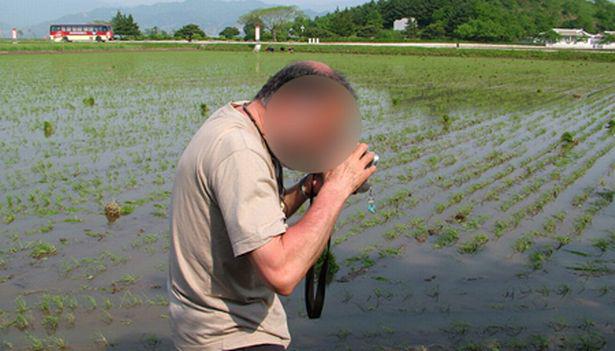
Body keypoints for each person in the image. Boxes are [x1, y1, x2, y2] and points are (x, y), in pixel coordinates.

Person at [167, 60, 377, 350]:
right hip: (230, 335)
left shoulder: (241, 121)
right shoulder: (240, 150)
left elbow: (256, 219)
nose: (321, 140)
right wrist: (338, 188)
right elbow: (282, 273)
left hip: (220, 326)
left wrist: (307, 188)